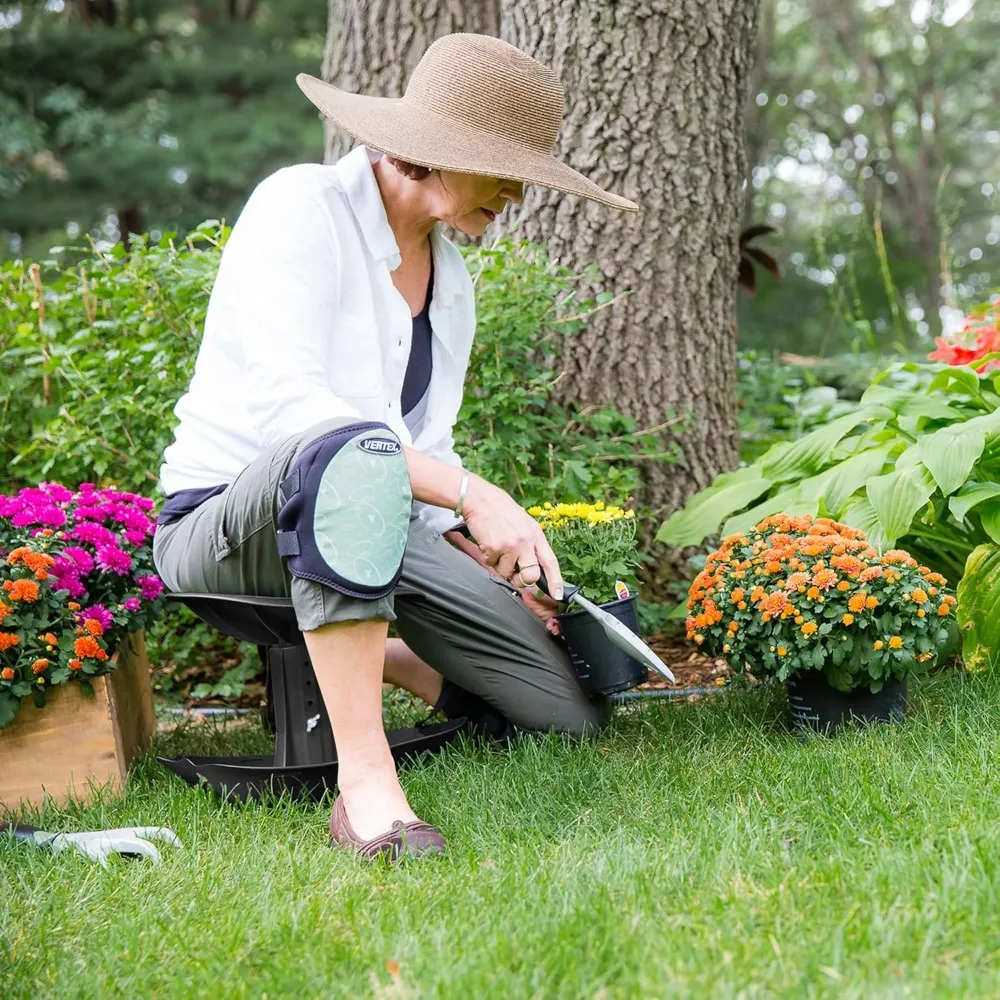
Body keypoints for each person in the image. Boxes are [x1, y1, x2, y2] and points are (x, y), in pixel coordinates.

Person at [153, 32, 638, 861]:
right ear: (441, 151)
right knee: (354, 453)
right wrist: (477, 495)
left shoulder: (454, 287)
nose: (518, 195)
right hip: (225, 532)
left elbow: (420, 459)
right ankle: (367, 788)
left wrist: (482, 556)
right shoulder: (301, 206)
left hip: (370, 521)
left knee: (566, 709)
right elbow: (295, 415)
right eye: (507, 169)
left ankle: (393, 659)